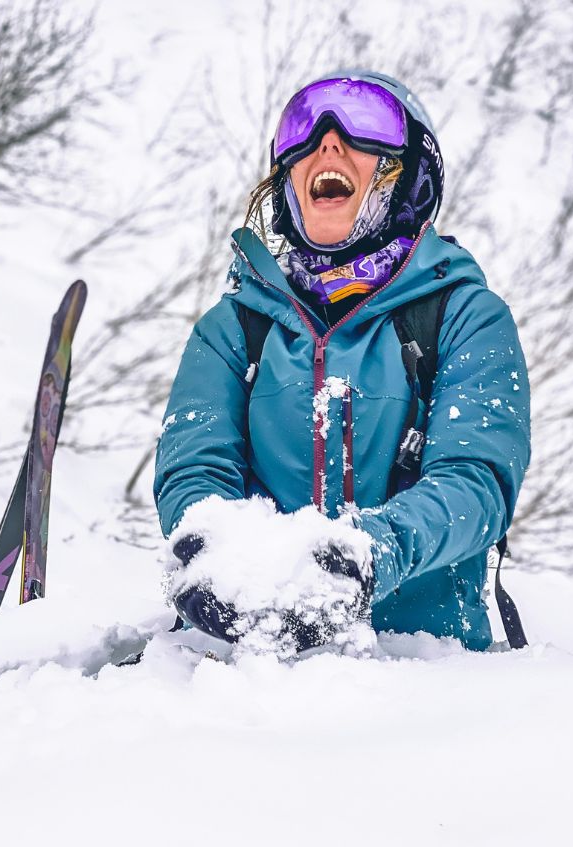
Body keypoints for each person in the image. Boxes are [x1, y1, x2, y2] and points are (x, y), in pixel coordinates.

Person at [153, 72, 532, 652]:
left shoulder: (465, 317)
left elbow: (477, 484)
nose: (326, 143)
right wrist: (210, 548)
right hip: (235, 677)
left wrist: (365, 556)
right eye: (302, 128)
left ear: (407, 175)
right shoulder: (232, 328)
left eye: (366, 126)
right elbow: (195, 470)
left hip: (426, 676)